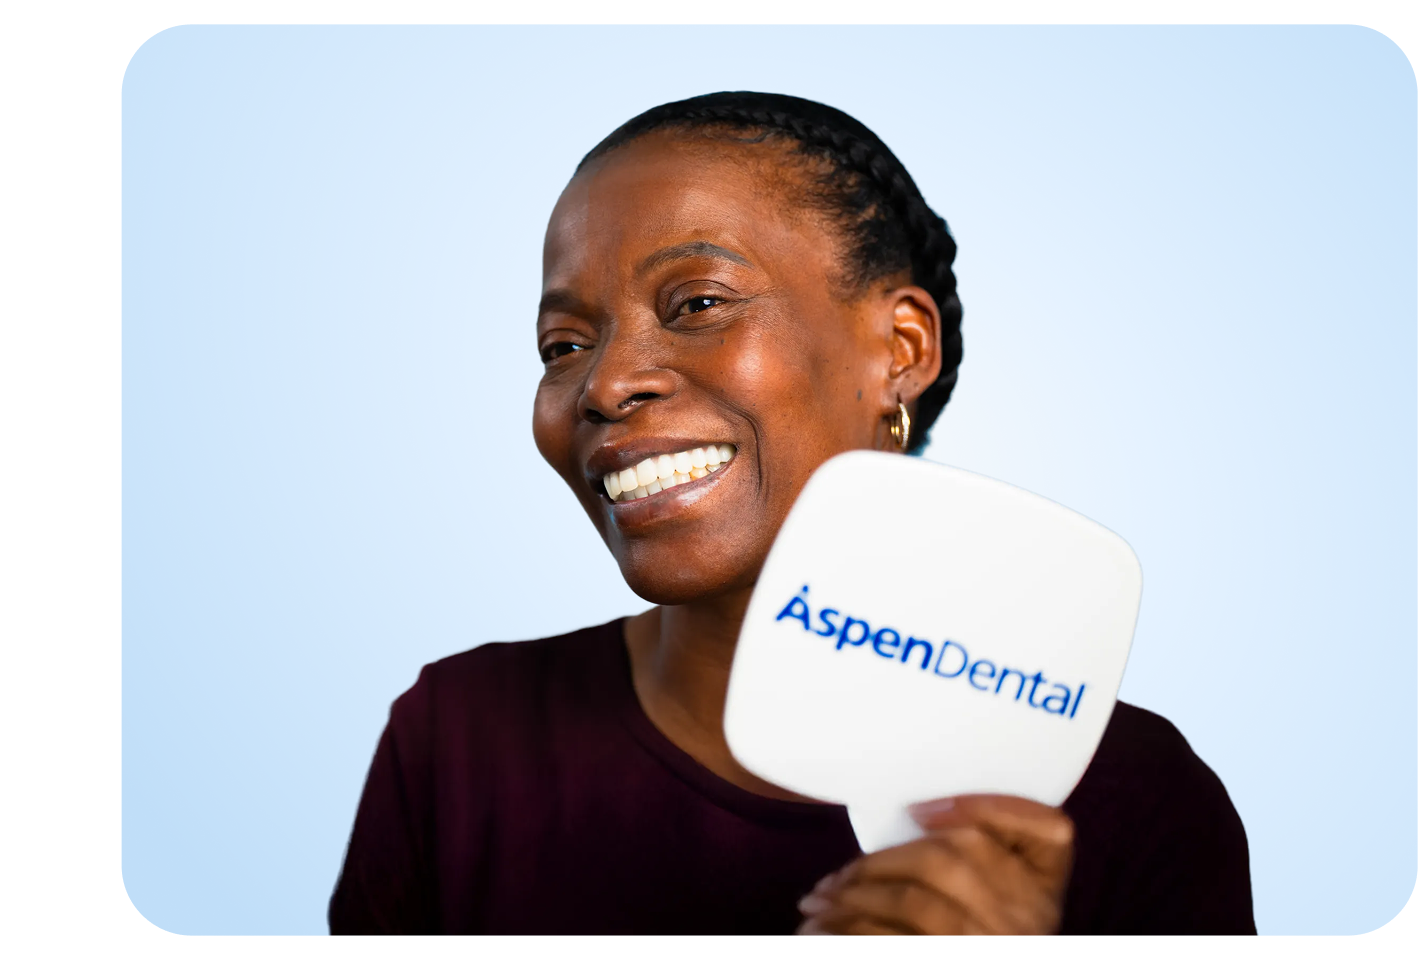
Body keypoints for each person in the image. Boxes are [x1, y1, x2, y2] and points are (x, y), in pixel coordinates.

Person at [328, 91, 1256, 935]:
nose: (604, 384)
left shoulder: (1134, 798)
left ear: (899, 349)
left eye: (698, 302)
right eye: (563, 344)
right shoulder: (456, 744)